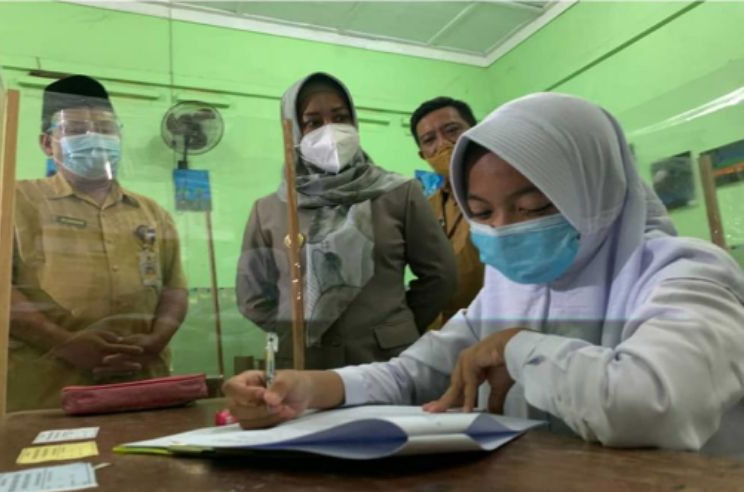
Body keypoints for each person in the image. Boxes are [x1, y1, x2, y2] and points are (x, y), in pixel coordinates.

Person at [224, 93, 744, 455]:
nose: (505, 230)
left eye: (534, 206)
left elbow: (653, 405)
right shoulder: (511, 284)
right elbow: (413, 373)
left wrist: (516, 346)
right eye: (482, 212)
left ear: (597, 189)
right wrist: (310, 389)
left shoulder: (685, 272)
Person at [0, 75, 188, 411]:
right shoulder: (8, 201)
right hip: (49, 393)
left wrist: (155, 340)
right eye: (76, 129)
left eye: (106, 128)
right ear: (47, 143)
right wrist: (65, 343)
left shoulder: (152, 212)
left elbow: (175, 290)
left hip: (141, 383)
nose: (95, 139)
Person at [236, 72, 456, 370]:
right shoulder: (270, 210)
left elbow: (441, 276)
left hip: (387, 361)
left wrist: (394, 326)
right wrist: (295, 332)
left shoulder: (399, 193)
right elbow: (252, 296)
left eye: (340, 117)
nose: (331, 130)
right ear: (294, 132)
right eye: (313, 122)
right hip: (305, 366)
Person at [411, 97, 484, 324]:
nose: (443, 144)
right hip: (444, 329)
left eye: (452, 130)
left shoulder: (504, 190)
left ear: (476, 131)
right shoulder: (426, 207)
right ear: (424, 154)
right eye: (429, 139)